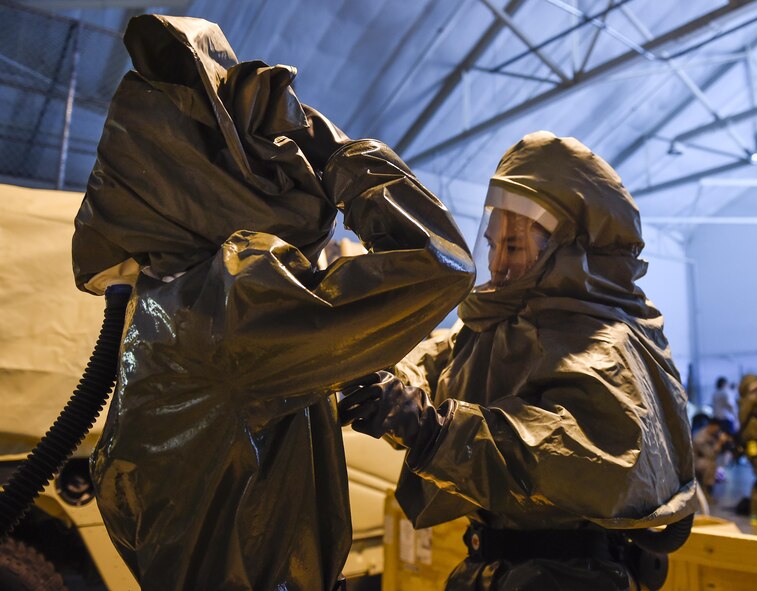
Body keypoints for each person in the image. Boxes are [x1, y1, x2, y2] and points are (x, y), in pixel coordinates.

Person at [72, 15, 474, 591]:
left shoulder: (165, 302)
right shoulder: (236, 301)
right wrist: (339, 153)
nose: (284, 158)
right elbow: (441, 263)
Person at [340, 131, 697, 590]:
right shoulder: (494, 326)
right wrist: (369, 371)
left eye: (514, 246)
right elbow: (427, 366)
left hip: (569, 577)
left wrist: (432, 430)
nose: (498, 263)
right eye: (493, 244)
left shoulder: (608, 343)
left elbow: (572, 458)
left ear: (572, 250)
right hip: (495, 568)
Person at [693, 418, 731, 498]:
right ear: (712, 426)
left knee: (712, 463)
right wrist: (720, 442)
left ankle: (707, 491)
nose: (717, 431)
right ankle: (706, 492)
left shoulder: (710, 435)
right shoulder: (701, 437)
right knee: (710, 465)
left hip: (702, 459)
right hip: (694, 462)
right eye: (716, 428)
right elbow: (710, 454)